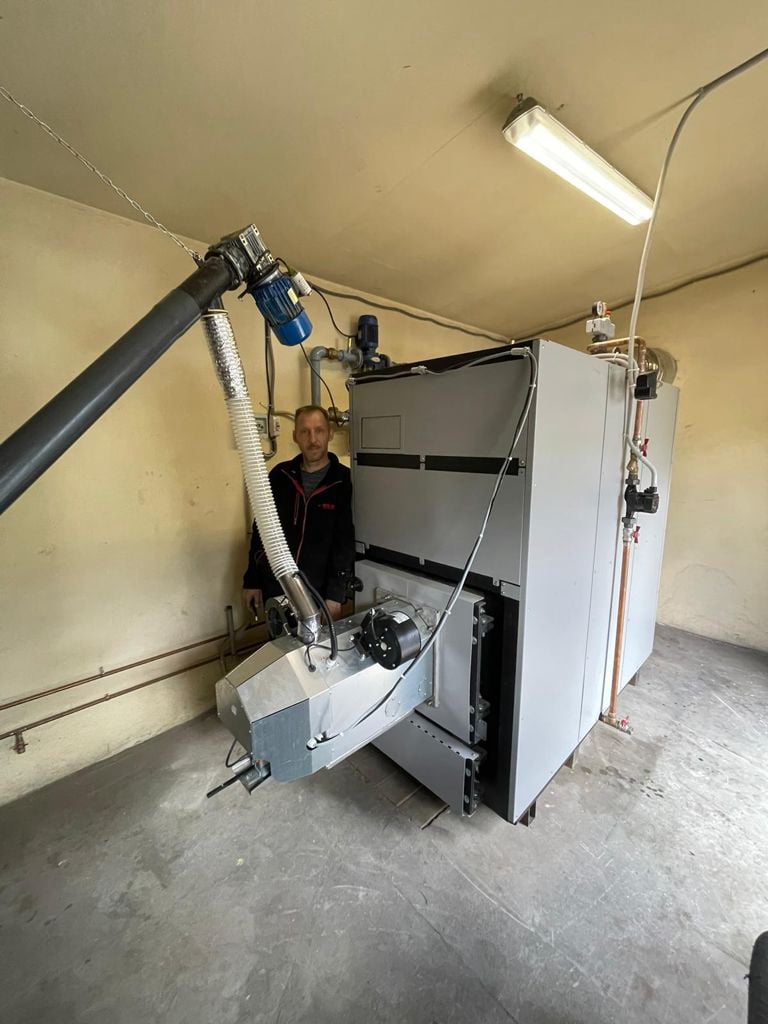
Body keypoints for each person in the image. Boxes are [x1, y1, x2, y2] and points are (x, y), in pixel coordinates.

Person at [243, 405, 354, 621]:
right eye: (305, 431)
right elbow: (261, 531)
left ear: (330, 433)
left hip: (319, 593)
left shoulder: (344, 481)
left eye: (319, 430)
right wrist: (252, 580)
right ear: (295, 436)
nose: (313, 439)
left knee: (319, 643)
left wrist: (335, 595)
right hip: (278, 587)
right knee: (281, 640)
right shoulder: (280, 476)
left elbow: (345, 544)